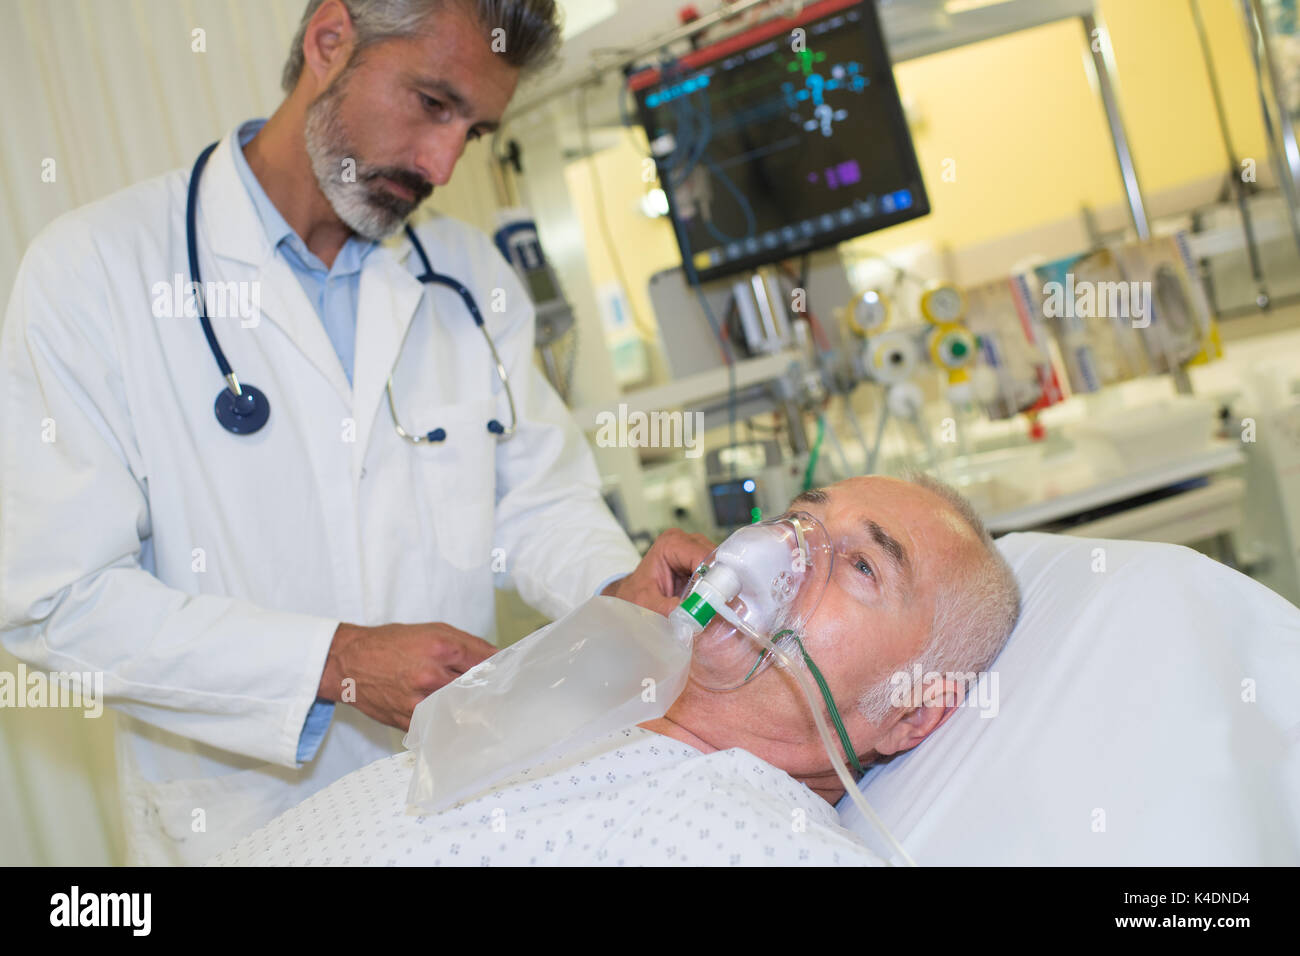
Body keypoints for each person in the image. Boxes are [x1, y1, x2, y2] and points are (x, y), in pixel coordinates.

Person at [0, 0, 711, 865]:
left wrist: (618, 588)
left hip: (459, 816)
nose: (443, 164)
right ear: (330, 40)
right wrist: (332, 661)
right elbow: (54, 603)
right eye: (432, 104)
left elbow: (535, 499)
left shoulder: (464, 274)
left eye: (474, 132)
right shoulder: (97, 273)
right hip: (244, 828)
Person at [211, 475, 1022, 866]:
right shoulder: (578, 711)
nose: (780, 554)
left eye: (861, 569)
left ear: (913, 711)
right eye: (797, 519)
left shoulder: (765, 846)